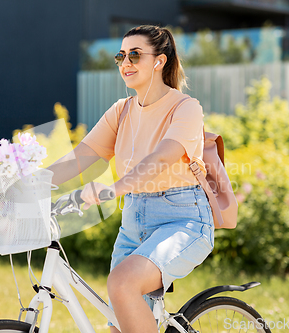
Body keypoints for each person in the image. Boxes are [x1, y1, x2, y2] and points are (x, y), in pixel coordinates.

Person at [48, 25, 214, 333]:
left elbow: (161, 158)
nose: (126, 62)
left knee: (122, 284)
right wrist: (25, 183)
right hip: (134, 223)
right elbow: (81, 156)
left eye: (135, 55)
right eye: (121, 55)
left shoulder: (185, 108)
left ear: (159, 61)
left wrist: (113, 189)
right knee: (119, 327)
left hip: (182, 221)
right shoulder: (121, 111)